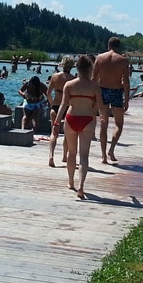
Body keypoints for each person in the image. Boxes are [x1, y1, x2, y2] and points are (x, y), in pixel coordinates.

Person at [53, 54, 103, 200]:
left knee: (72, 153)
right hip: (87, 119)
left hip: (71, 118)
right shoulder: (94, 86)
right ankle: (81, 186)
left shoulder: (69, 85)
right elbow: (101, 107)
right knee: (84, 156)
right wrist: (104, 118)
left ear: (77, 68)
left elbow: (63, 105)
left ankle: (70, 182)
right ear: (90, 69)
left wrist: (56, 122)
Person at [93, 36, 130, 164]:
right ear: (118, 47)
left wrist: (92, 95)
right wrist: (126, 99)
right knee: (119, 124)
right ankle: (111, 149)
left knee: (104, 123)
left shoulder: (99, 58)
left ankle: (103, 156)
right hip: (116, 91)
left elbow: (93, 78)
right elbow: (126, 81)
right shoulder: (123, 60)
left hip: (102, 90)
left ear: (108, 45)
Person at [46, 57, 75, 167]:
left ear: (62, 64)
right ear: (72, 66)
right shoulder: (73, 79)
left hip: (56, 107)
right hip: (67, 108)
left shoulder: (55, 77)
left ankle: (51, 156)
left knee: (54, 133)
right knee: (68, 134)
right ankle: (64, 156)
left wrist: (51, 103)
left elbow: (48, 93)